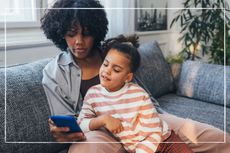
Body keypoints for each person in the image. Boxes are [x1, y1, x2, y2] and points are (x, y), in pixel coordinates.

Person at [40, 0, 230, 153]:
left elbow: (142, 96)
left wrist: (153, 124)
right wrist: (64, 132)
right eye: (71, 34)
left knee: (218, 138)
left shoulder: (113, 54)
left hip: (143, 120)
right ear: (60, 33)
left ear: (96, 31)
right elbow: (71, 123)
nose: (79, 41)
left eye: (86, 34)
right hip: (100, 131)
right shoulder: (54, 72)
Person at [78, 41, 194, 153]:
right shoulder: (92, 94)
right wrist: (102, 120)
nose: (107, 71)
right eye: (105, 64)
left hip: (163, 142)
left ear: (128, 77)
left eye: (116, 69)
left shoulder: (139, 95)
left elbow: (153, 133)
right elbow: (81, 123)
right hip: (136, 148)